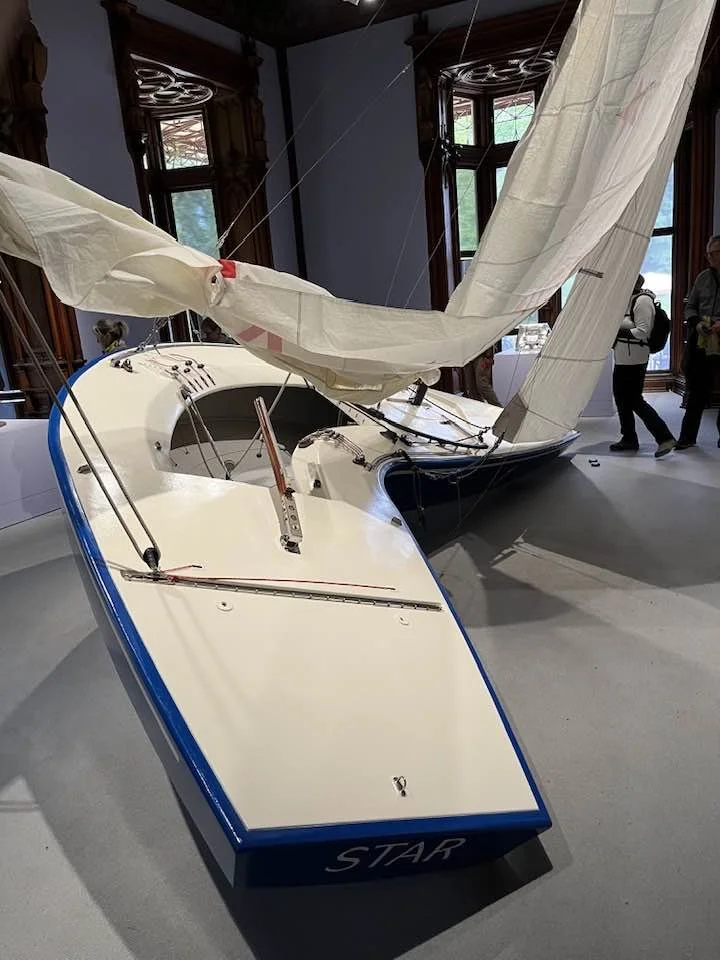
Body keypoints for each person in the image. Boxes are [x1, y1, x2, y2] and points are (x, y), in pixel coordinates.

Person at [610, 274, 675, 458]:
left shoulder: (642, 301)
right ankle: (629, 438)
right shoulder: (630, 300)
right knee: (622, 398)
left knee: (633, 400)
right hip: (624, 357)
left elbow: (642, 332)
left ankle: (665, 437)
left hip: (635, 359)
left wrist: (614, 330)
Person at [675, 235, 720, 450]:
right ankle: (687, 437)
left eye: (715, 253)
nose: (710, 257)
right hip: (702, 339)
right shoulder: (703, 277)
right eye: (709, 253)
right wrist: (698, 323)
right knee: (696, 390)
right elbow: (690, 306)